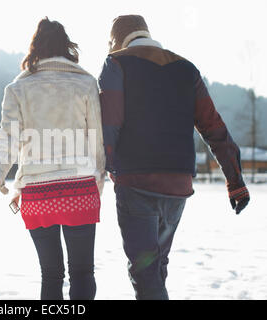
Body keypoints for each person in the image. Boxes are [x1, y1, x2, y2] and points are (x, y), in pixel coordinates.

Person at [98, 15, 250, 300]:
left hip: (136, 182)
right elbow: (213, 126)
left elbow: (110, 122)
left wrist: (103, 168)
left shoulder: (116, 62)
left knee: (144, 272)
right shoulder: (187, 69)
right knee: (156, 268)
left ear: (117, 39)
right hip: (178, 185)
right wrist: (235, 179)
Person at [0, 17, 105, 300]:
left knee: (51, 275)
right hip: (80, 191)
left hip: (38, 196)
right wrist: (97, 183)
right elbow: (97, 142)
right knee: (83, 272)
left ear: (35, 48)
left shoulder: (17, 89)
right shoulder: (86, 83)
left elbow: (6, 144)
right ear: (67, 48)